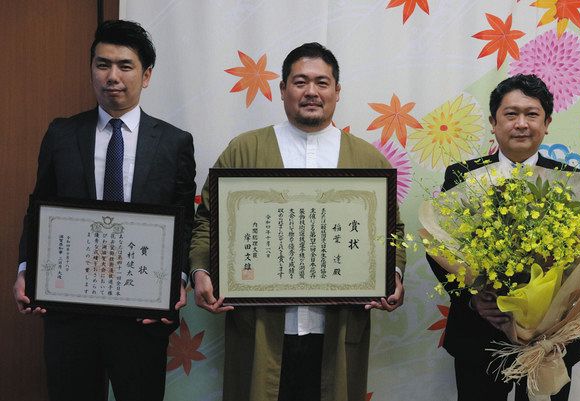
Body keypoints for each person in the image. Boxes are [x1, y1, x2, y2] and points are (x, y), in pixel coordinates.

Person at [189, 42, 406, 401]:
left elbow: (391, 231)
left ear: (337, 91)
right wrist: (201, 271)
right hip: (261, 325)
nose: (311, 92)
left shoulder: (367, 159)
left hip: (336, 327)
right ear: (282, 90)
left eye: (322, 83)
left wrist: (392, 275)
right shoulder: (245, 150)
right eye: (300, 81)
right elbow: (207, 221)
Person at [12, 20, 196, 401]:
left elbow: (183, 218)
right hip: (70, 313)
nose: (112, 76)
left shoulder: (174, 142)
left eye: (125, 66)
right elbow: (39, 206)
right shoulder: (62, 133)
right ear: (92, 70)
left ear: (146, 76)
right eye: (102, 64)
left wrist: (177, 278)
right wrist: (26, 268)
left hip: (142, 313)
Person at [427, 74, 580, 401]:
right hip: (479, 333)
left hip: (550, 339)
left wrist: (560, 308)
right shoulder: (462, 176)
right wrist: (475, 299)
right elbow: (439, 246)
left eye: (532, 114)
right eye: (511, 114)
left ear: (547, 123)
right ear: (493, 123)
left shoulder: (573, 181)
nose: (521, 124)